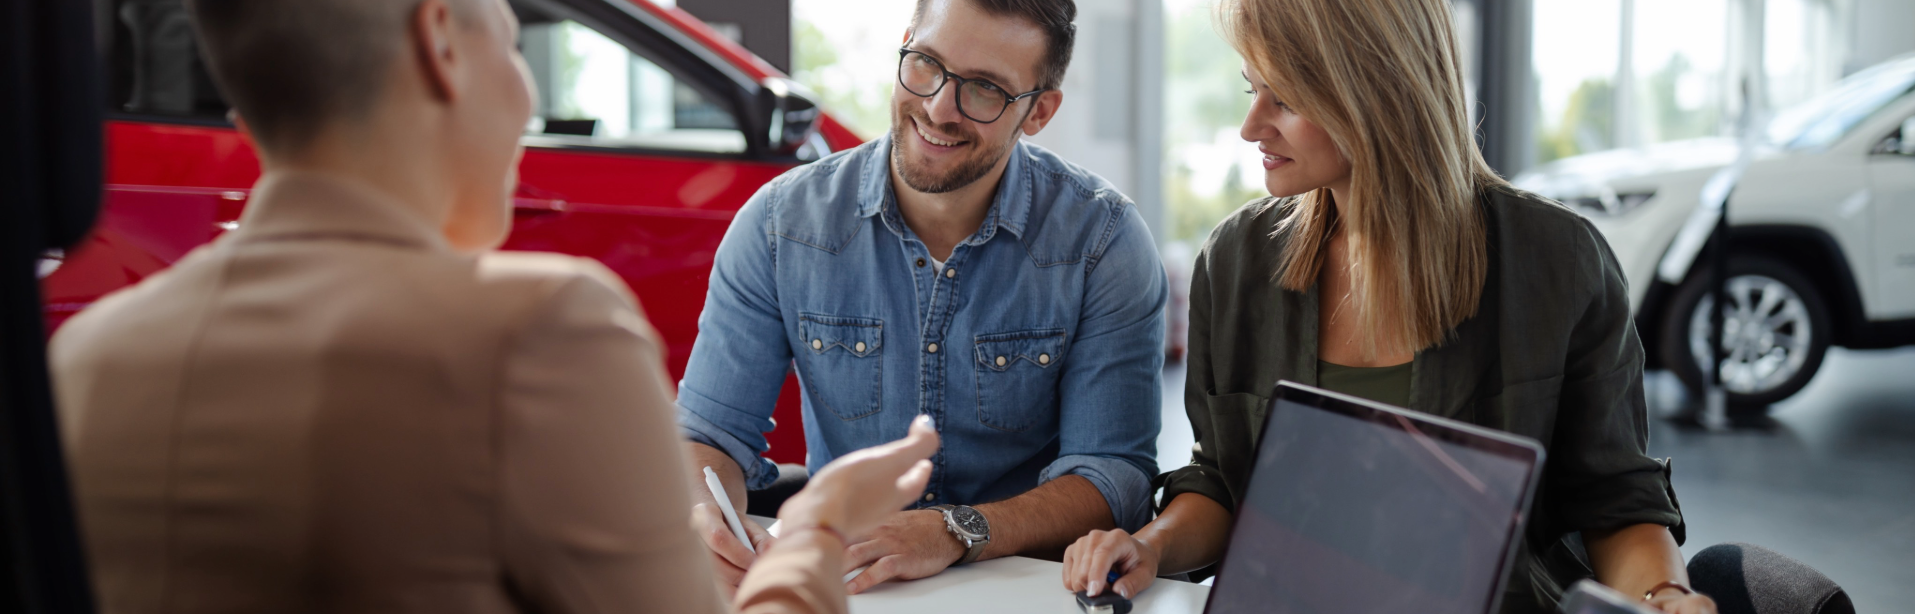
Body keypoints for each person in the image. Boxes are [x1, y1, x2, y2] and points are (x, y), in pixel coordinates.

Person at [49, 0, 940, 612]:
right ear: (441, 40)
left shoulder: (81, 365)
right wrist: (819, 529)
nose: (524, 96)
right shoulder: (541, 334)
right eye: (514, 44)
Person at [1059, 1, 1719, 613]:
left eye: (1284, 98)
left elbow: (1614, 499)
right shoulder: (1237, 262)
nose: (1251, 126)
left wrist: (1663, 596)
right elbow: (1224, 483)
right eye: (1250, 88)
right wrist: (1152, 545)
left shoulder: (1559, 262)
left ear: (1374, 91)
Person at [677, 0, 1167, 596]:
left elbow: (1113, 474)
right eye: (926, 63)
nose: (938, 108)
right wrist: (706, 520)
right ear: (905, 44)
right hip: (855, 584)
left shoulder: (1102, 240)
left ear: (1038, 111)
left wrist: (955, 531)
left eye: (984, 89)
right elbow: (708, 436)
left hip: (1028, 588)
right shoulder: (781, 225)